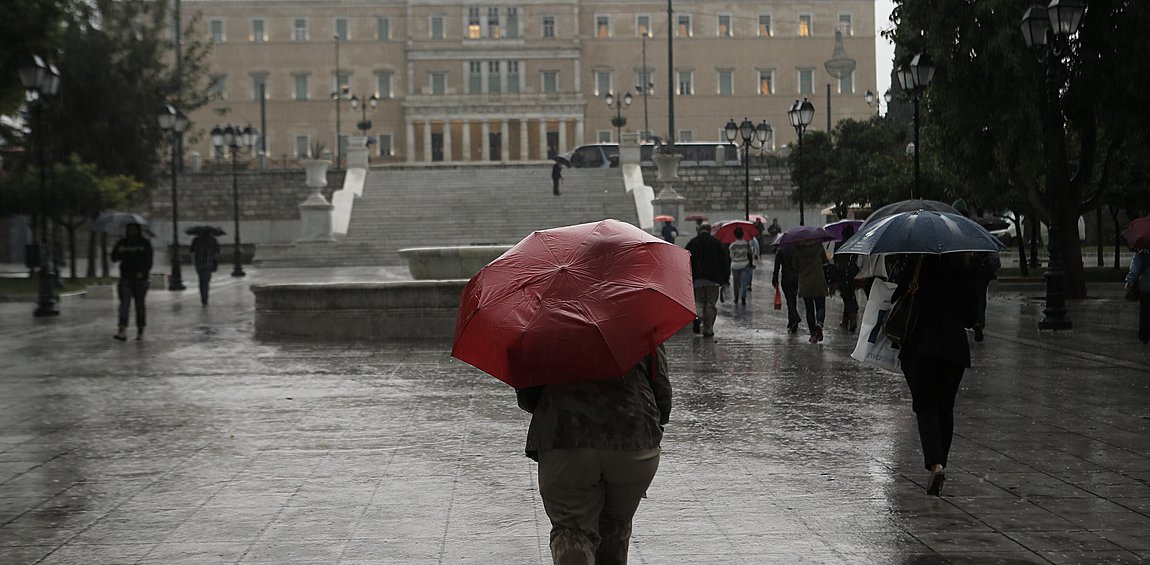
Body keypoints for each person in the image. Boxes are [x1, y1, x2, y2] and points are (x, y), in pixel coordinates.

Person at [516, 345, 671, 564]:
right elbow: (662, 392)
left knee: (572, 529)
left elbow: (529, 396)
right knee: (615, 525)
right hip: (633, 434)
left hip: (566, 436)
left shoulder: (545, 329)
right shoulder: (639, 322)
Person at [890, 253, 978, 496]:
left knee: (925, 406)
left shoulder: (916, 264)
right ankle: (941, 464)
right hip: (953, 350)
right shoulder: (963, 269)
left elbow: (899, 300)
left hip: (921, 347)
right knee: (945, 408)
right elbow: (971, 316)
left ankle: (936, 464)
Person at [685, 223, 729, 337]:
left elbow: (685, 260)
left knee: (699, 301)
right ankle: (708, 329)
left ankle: (698, 316)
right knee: (710, 304)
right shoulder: (717, 243)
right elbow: (724, 261)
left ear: (699, 230)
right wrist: (725, 278)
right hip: (713, 279)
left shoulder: (692, 243)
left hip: (697, 279)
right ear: (710, 231)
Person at [110, 223, 153, 341]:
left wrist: (143, 272)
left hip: (141, 280)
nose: (131, 231)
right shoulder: (122, 243)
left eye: (134, 229)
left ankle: (140, 330)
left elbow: (149, 260)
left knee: (139, 305)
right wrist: (119, 251)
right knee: (124, 304)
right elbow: (114, 258)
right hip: (126, 278)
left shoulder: (144, 243)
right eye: (129, 229)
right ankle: (122, 329)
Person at [792, 240, 829, 343]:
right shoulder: (818, 245)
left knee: (809, 309)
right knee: (821, 306)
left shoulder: (797, 248)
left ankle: (813, 335)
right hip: (818, 280)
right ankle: (820, 324)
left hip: (805, 282)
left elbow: (795, 266)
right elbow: (825, 261)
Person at [832, 226, 861, 332]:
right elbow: (856, 258)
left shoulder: (839, 244)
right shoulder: (855, 244)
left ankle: (852, 318)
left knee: (846, 295)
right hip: (852, 273)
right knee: (849, 294)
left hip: (842, 273)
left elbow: (835, 259)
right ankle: (845, 320)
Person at [771, 244, 802, 333]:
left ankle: (794, 319)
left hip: (786, 277)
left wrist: (775, 279)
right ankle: (792, 320)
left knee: (789, 300)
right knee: (793, 299)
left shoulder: (780, 250)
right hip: (796, 277)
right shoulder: (797, 248)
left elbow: (776, 266)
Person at [972, 251, 1001, 342]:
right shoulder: (989, 252)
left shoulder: (974, 254)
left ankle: (977, 321)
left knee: (977, 299)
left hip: (977, 276)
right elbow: (997, 265)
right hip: (983, 277)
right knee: (981, 299)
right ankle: (979, 322)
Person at [1125, 249, 1150, 344]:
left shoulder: (1143, 251)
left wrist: (1130, 280)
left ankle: (1144, 336)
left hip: (1146, 286)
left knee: (1145, 311)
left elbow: (1136, 266)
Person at [190, 232, 221, 306]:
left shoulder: (196, 239)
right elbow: (217, 252)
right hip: (208, 263)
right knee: (206, 281)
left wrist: (193, 262)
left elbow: (192, 251)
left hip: (199, 263)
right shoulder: (213, 240)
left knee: (201, 281)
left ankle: (203, 297)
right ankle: (205, 298)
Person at [728, 227, 754, 305]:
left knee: (736, 283)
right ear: (743, 235)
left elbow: (731, 256)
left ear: (734, 235)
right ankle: (743, 298)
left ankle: (736, 298)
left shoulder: (732, 245)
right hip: (744, 264)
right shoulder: (746, 243)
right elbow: (750, 253)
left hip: (735, 265)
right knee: (744, 283)